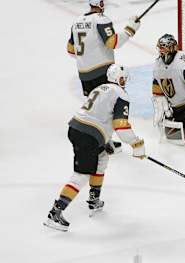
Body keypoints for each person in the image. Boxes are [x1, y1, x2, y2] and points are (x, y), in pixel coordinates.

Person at [43, 64, 146, 232]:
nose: (124, 81)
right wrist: (136, 143)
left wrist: (106, 140)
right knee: (81, 176)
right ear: (118, 78)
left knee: (102, 157)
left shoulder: (100, 89)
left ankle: (94, 201)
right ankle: (55, 213)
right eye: (123, 78)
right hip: (88, 135)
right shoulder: (121, 94)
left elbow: (99, 115)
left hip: (77, 128)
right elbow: (120, 124)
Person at [67, 0, 141, 97]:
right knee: (109, 106)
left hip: (83, 75)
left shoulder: (76, 22)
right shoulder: (101, 19)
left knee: (95, 107)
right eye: (103, 2)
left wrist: (88, 55)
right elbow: (112, 43)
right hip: (101, 73)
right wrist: (130, 29)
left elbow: (71, 50)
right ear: (100, 3)